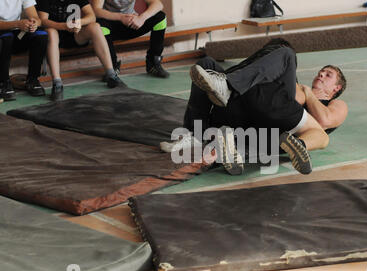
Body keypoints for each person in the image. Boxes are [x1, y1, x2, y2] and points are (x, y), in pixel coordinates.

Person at [161, 39, 348, 176]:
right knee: (205, 64)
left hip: (275, 132)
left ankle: (225, 144)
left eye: (328, 75)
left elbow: (325, 120)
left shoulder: (336, 104)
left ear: (336, 88)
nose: (321, 75)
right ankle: (196, 133)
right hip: (254, 114)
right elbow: (291, 97)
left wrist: (307, 93)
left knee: (286, 53)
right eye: (320, 72)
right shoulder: (299, 92)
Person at [36, 0, 125, 101]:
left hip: (75, 33)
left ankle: (111, 75)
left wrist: (79, 22)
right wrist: (63, 26)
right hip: (55, 35)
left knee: (95, 26)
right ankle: (57, 83)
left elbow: (92, 16)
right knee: (51, 32)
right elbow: (43, 21)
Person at [90, 0, 169, 78]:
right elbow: (96, 10)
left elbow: (158, 4)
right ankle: (112, 66)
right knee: (100, 25)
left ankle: (153, 63)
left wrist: (141, 18)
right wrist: (120, 17)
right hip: (112, 26)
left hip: (132, 23)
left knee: (160, 17)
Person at [0, 0, 48, 101]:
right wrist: (17, 23)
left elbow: (36, 18)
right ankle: (3, 83)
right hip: (3, 35)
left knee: (40, 35)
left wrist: (34, 23)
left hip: (16, 34)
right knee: (6, 37)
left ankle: (32, 80)